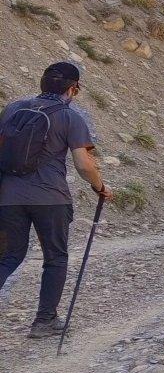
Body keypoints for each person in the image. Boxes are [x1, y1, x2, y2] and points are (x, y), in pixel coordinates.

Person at [0, 63, 113, 338]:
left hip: (8, 198)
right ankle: (44, 321)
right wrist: (100, 187)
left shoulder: (13, 110)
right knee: (55, 257)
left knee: (9, 256)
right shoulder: (70, 117)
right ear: (72, 89)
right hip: (51, 198)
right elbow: (83, 164)